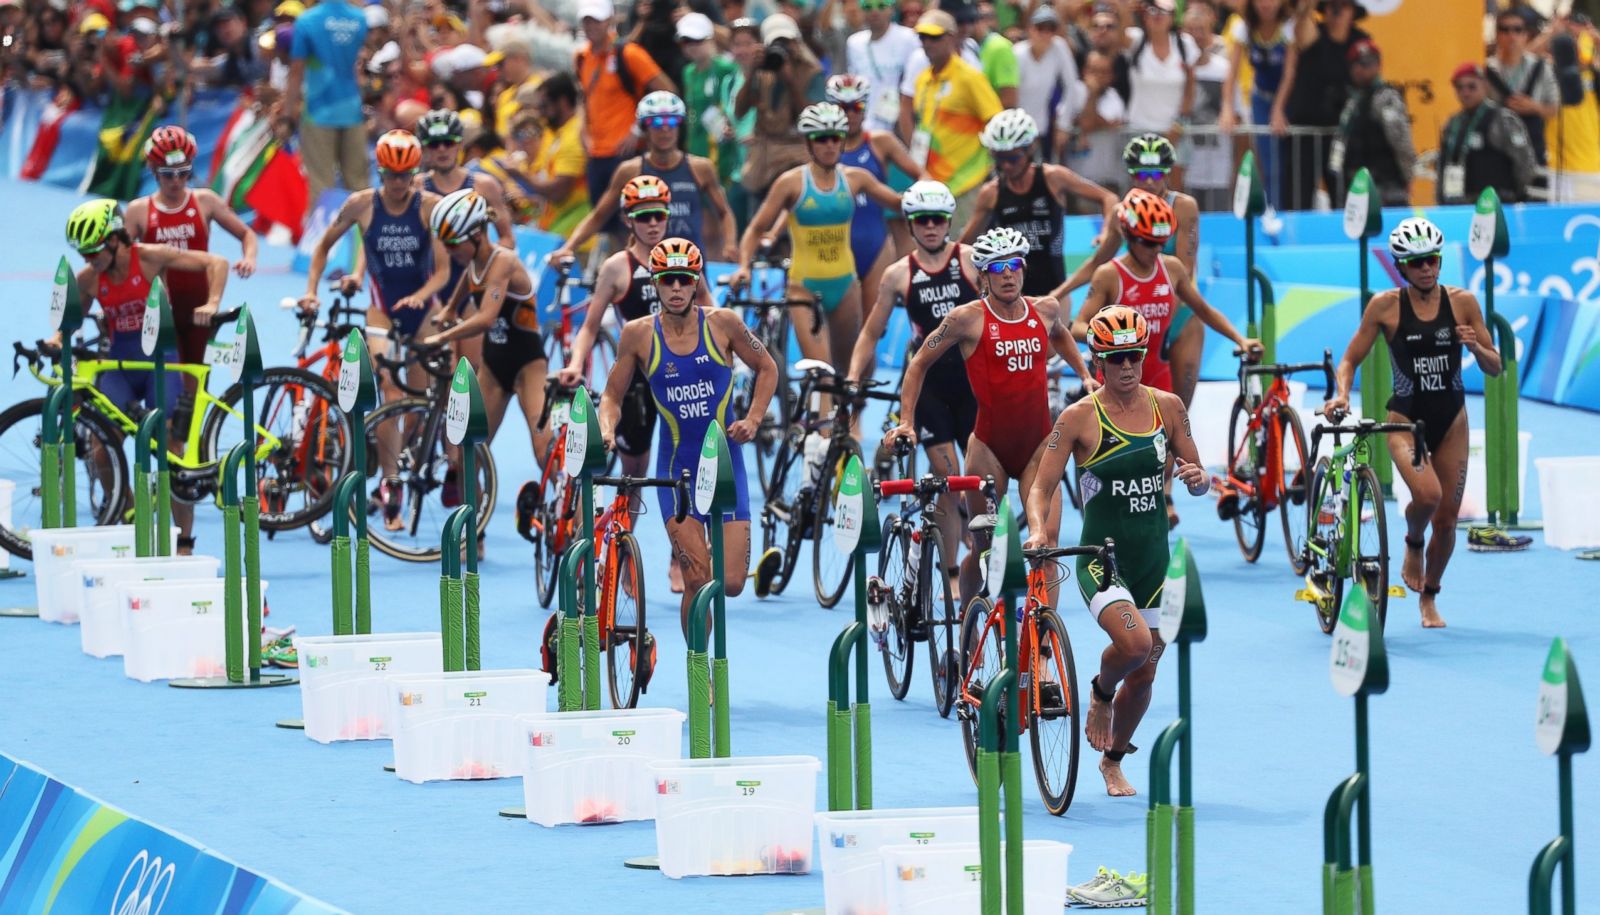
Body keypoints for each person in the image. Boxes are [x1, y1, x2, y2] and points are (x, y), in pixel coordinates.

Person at [1022, 305, 1210, 799]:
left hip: (1154, 560)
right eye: (1117, 358)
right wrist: (1040, 530)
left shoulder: (1168, 406)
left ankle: (1111, 761)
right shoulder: (1078, 418)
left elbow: (1197, 473)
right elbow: (1040, 488)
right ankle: (1100, 693)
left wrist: (1197, 479)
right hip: (1100, 559)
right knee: (1133, 647)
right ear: (1098, 360)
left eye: (1135, 356)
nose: (1127, 367)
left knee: (1145, 677)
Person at [885, 226, 1095, 607]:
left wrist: (1085, 375)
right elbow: (917, 366)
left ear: (1024, 268)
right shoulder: (966, 319)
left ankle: (1042, 647)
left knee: (1045, 548)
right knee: (984, 553)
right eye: (998, 267)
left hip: (1038, 446)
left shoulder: (1045, 309)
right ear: (983, 275)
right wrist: (906, 422)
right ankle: (968, 622)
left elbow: (1061, 334)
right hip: (988, 450)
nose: (1008, 273)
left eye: (1014, 264)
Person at [1322, 218, 1503, 629]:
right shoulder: (1385, 307)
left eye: (1433, 260)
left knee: (1448, 519)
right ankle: (1412, 542)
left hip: (1451, 419)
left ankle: (1430, 598)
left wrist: (1476, 346)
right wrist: (1342, 394)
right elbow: (1350, 359)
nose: (1427, 268)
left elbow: (1495, 368)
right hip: (1404, 420)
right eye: (1417, 262)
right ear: (1403, 267)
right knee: (1427, 496)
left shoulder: (1464, 303)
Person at [600, 238, 780, 631]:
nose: (678, 289)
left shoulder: (724, 323)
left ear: (697, 279)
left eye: (685, 279)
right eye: (668, 281)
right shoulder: (637, 334)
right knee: (697, 580)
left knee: (731, 584)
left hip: (727, 465)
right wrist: (606, 429)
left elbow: (768, 368)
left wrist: (753, 418)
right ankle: (702, 681)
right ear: (656, 283)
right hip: (676, 470)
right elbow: (612, 394)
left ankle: (706, 550)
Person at [1074, 189, 1259, 526]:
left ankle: (1158, 500)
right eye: (1148, 242)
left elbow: (1203, 309)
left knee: (1163, 447)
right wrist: (1107, 334)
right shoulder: (1109, 275)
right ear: (1129, 236)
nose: (1156, 249)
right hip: (1114, 376)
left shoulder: (1172, 269)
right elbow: (1078, 324)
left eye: (1161, 242)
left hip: (1155, 371)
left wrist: (1240, 339)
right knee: (1114, 456)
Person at [298, 131, 452, 529]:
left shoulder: (429, 207)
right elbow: (321, 247)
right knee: (390, 390)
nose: (397, 184)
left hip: (422, 309)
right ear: (380, 172)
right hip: (382, 310)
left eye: (404, 176)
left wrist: (421, 295)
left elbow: (445, 272)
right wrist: (311, 290)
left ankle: (406, 453)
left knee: (419, 398)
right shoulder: (361, 204)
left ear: (415, 173)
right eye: (390, 176)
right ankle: (390, 485)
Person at [64, 199, 229, 555]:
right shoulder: (89, 278)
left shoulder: (150, 256)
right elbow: (70, 322)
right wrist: (55, 338)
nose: (88, 261)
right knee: (100, 450)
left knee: (173, 451)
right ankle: (124, 510)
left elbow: (217, 262)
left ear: (114, 239)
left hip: (161, 361)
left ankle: (184, 541)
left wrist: (212, 302)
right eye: (83, 254)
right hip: (120, 366)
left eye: (93, 252)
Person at [848, 181, 983, 585]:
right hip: (927, 388)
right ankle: (952, 570)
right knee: (947, 476)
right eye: (921, 220)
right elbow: (872, 332)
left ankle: (982, 558)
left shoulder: (973, 260)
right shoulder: (897, 275)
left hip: (973, 385)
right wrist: (855, 375)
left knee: (979, 477)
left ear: (948, 222)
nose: (930, 227)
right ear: (909, 225)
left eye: (938, 219)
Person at [730, 102, 903, 379]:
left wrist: (932, 195)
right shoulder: (791, 183)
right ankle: (819, 419)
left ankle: (851, 420)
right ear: (808, 143)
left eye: (836, 138)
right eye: (821, 139)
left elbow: (899, 202)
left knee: (854, 370)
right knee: (821, 373)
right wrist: (743, 266)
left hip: (845, 284)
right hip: (804, 287)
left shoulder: (857, 178)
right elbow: (755, 228)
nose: (830, 145)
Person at [421, 189, 555, 467]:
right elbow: (468, 281)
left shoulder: (503, 261)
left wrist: (443, 336)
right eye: (445, 243)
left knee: (545, 453)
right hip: (493, 368)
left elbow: (485, 320)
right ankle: (473, 511)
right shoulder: (473, 260)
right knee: (462, 460)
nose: (448, 250)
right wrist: (450, 309)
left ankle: (568, 509)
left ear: (477, 234)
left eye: (453, 242)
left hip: (527, 366)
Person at [124, 126, 259, 373]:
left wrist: (249, 258)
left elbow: (246, 233)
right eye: (167, 174)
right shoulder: (138, 211)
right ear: (153, 171)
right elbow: (118, 258)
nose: (176, 181)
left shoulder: (205, 201)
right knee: (165, 382)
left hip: (200, 308)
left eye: (184, 173)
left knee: (195, 385)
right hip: (159, 309)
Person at [550, 91, 739, 264]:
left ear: (680, 126)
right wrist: (568, 247)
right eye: (656, 123)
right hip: (644, 271)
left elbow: (724, 212)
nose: (665, 129)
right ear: (644, 128)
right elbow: (599, 216)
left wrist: (730, 245)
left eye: (672, 122)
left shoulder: (700, 168)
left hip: (689, 271)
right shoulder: (630, 171)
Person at [960, 108, 1120, 302]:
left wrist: (1106, 231)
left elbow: (1109, 198)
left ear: (1030, 150)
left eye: (1012, 158)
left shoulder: (1053, 178)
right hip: (1010, 297)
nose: (1006, 167)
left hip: (1054, 293)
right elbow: (965, 246)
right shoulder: (991, 193)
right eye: (1000, 159)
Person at [416, 108, 517, 372]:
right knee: (440, 370)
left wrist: (487, 267)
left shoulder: (485, 186)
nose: (442, 150)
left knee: (470, 370)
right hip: (436, 290)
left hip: (472, 288)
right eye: (434, 144)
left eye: (448, 143)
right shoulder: (417, 188)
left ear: (460, 145)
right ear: (424, 150)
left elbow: (507, 238)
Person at [574, 0, 675, 241]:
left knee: (637, 222)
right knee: (606, 226)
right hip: (596, 154)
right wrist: (583, 130)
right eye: (586, 20)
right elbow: (585, 97)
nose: (591, 26)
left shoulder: (629, 53)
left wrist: (638, 129)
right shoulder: (581, 57)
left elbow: (667, 92)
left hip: (625, 153)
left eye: (596, 20)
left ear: (609, 21)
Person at [1117, 134, 1203, 408]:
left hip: (1179, 311)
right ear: (1131, 175)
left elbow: (1184, 272)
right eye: (1142, 175)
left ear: (1167, 172)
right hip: (1142, 311)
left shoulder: (1184, 206)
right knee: (1136, 406)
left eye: (1156, 174)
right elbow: (1100, 263)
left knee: (1178, 409)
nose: (1150, 181)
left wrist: (1163, 320)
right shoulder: (1125, 210)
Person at [827, 74, 927, 304]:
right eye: (844, 107)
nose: (851, 114)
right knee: (841, 326)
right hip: (835, 248)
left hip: (875, 245)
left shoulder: (880, 141)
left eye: (857, 107)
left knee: (873, 325)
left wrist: (929, 197)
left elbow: (921, 174)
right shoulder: (823, 146)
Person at [905, 10, 1006, 231]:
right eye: (923, 37)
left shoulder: (969, 77)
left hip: (966, 183)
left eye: (935, 37)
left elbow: (996, 123)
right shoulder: (922, 79)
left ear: (951, 37)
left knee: (965, 252)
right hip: (932, 184)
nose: (927, 43)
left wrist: (990, 168)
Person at [734, 13, 826, 227]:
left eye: (786, 42)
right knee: (758, 222)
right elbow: (739, 111)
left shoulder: (811, 71)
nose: (782, 49)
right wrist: (752, 71)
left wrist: (791, 82)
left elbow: (814, 118)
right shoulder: (762, 69)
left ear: (796, 42)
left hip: (797, 153)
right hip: (764, 157)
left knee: (792, 223)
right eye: (776, 43)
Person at [281, 0, 368, 212]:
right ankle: (363, 243)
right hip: (352, 110)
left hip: (318, 113)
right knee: (358, 186)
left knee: (321, 186)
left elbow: (296, 72)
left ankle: (321, 244)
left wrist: (286, 115)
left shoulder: (307, 21)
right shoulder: (359, 18)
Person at [1282, 0, 1369, 210]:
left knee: (1344, 197)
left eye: (1343, 6)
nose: (1336, 11)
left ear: (1353, 12)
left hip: (1342, 135)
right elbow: (1301, 30)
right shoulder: (1315, 34)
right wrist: (1307, 8)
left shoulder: (1360, 42)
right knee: (1298, 196)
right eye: (1331, 5)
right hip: (1306, 133)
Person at [1219, 0, 1299, 212]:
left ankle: (1290, 212)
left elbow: (1289, 73)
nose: (1267, 4)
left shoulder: (1289, 26)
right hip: (1260, 99)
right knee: (1268, 162)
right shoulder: (1243, 27)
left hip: (1288, 99)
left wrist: (1279, 108)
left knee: (1289, 162)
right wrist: (1227, 108)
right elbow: (1232, 72)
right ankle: (1272, 211)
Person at [1330, 39, 1414, 207]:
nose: (1360, 69)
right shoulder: (1352, 102)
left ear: (1378, 65)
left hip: (1386, 188)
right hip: (1355, 188)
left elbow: (1402, 143)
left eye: (1366, 64)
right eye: (1356, 64)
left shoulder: (1387, 98)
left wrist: (1407, 177)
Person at [1437, 63, 1534, 205]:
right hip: (1459, 204)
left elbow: (1524, 163)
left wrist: (1514, 195)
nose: (1465, 92)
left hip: (1496, 203)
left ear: (1484, 86)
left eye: (1471, 86)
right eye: (1460, 87)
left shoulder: (1502, 119)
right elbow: (1442, 165)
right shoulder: (1453, 123)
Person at [1485, 7, 1558, 171]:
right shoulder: (1486, 70)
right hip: (1496, 153)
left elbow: (1554, 109)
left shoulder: (1541, 68)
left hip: (1534, 153)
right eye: (1505, 30)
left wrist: (1534, 107)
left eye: (1518, 30)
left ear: (1526, 35)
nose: (1512, 36)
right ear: (1497, 35)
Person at [676, 12, 742, 192]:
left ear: (710, 39)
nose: (691, 47)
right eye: (686, 41)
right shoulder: (688, 72)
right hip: (696, 144)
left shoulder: (726, 68)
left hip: (722, 147)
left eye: (697, 40)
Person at [845, 0, 923, 134]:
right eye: (868, 7)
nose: (874, 12)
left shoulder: (910, 38)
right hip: (866, 128)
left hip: (900, 126)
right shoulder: (854, 43)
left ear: (892, 9)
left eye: (881, 6)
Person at [1013, 5, 1081, 160]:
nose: (1045, 33)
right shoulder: (1017, 54)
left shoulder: (1059, 48)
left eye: (1050, 29)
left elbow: (1071, 86)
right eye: (1040, 27)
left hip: (1044, 127)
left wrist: (1064, 125)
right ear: (1030, 29)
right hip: (1018, 129)